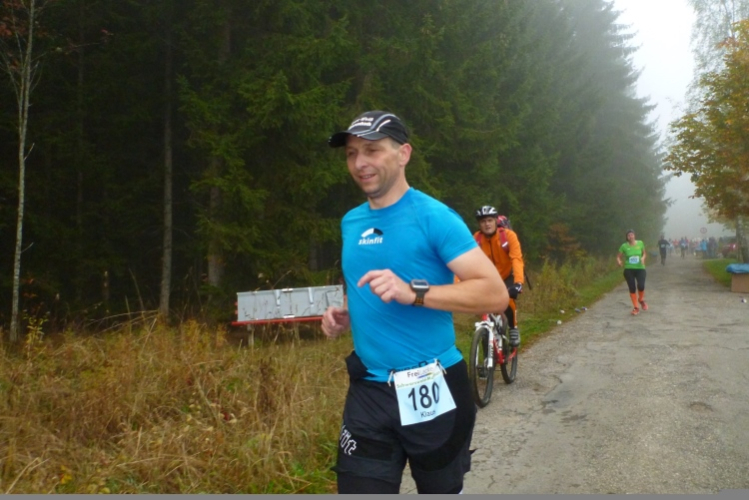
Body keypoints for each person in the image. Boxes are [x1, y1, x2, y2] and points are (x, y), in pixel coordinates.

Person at [322, 110, 508, 494]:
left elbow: (494, 294)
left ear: (403, 154)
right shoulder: (351, 222)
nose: (359, 163)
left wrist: (415, 293)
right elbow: (365, 283)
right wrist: (347, 313)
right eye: (352, 153)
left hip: (433, 386)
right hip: (369, 391)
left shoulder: (435, 217)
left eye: (372, 150)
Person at [472, 206, 525, 347]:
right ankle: (486, 342)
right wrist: (458, 284)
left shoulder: (508, 236)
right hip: (487, 279)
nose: (487, 224)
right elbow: (466, 262)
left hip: (506, 276)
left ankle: (513, 328)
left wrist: (518, 282)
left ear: (496, 221)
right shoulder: (476, 239)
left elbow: (516, 259)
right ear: (479, 224)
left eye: (490, 220)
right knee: (484, 309)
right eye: (483, 221)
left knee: (508, 300)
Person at [617, 229, 648, 315]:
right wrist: (619, 261)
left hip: (640, 268)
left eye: (632, 234)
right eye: (628, 235)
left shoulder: (640, 243)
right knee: (632, 288)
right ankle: (636, 307)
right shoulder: (624, 246)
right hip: (629, 269)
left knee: (641, 286)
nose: (630, 236)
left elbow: (644, 253)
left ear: (634, 235)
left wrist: (643, 258)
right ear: (627, 237)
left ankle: (641, 300)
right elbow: (618, 256)